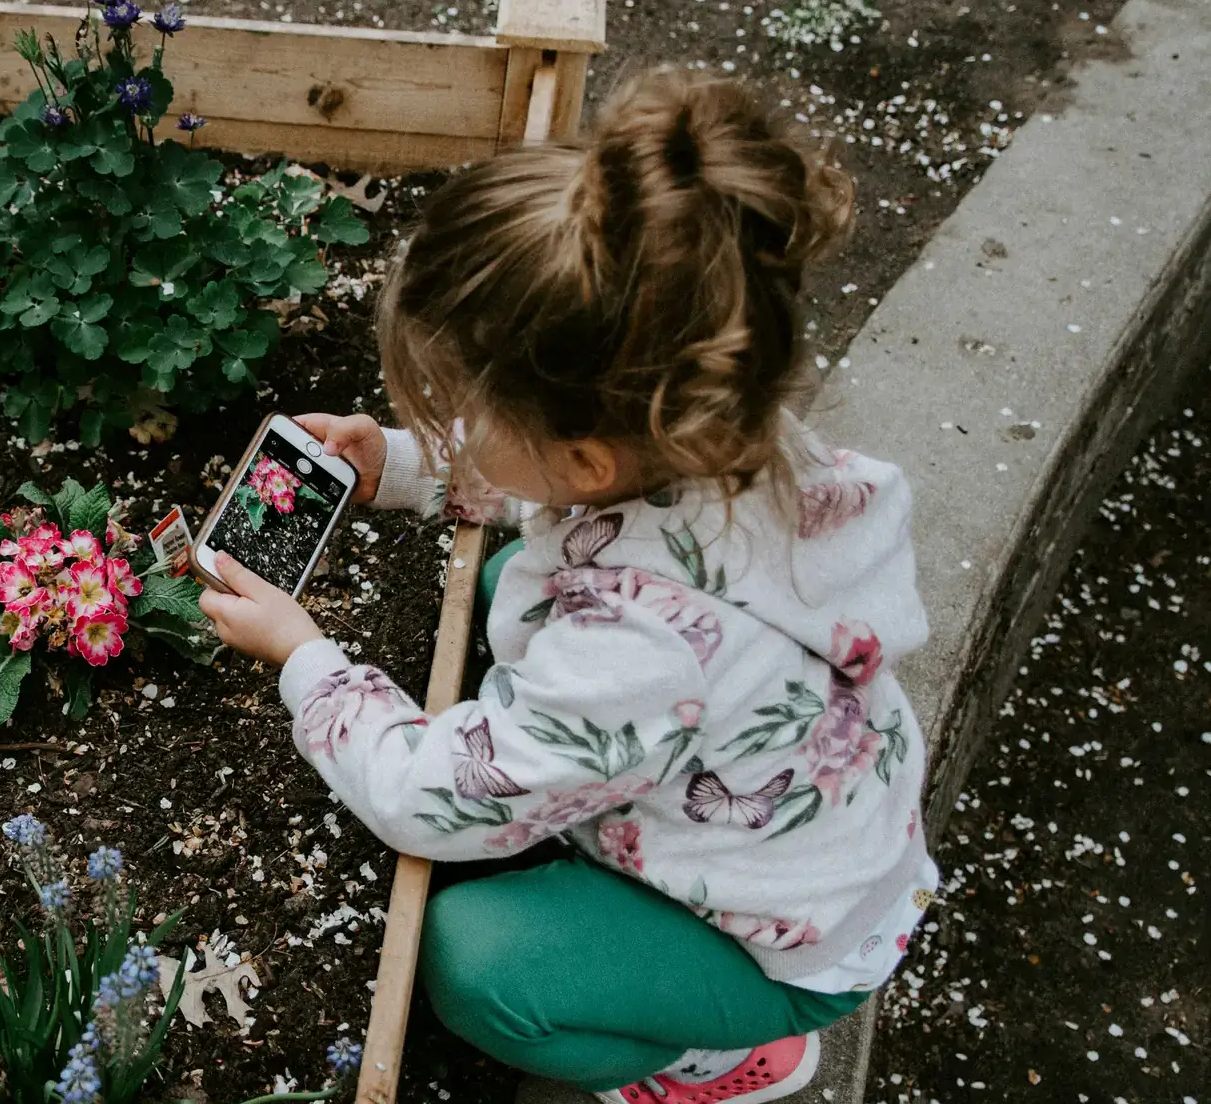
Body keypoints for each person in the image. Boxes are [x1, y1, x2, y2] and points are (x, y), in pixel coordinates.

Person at [198, 69, 936, 1104]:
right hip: (795, 827)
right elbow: (554, 489)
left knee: (477, 966)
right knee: (514, 575)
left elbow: (426, 802)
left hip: (774, 944)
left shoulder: (641, 650)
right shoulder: (729, 440)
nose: (454, 417)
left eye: (466, 406)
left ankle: (712, 1058)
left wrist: (307, 659)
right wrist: (403, 465)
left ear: (587, 458)